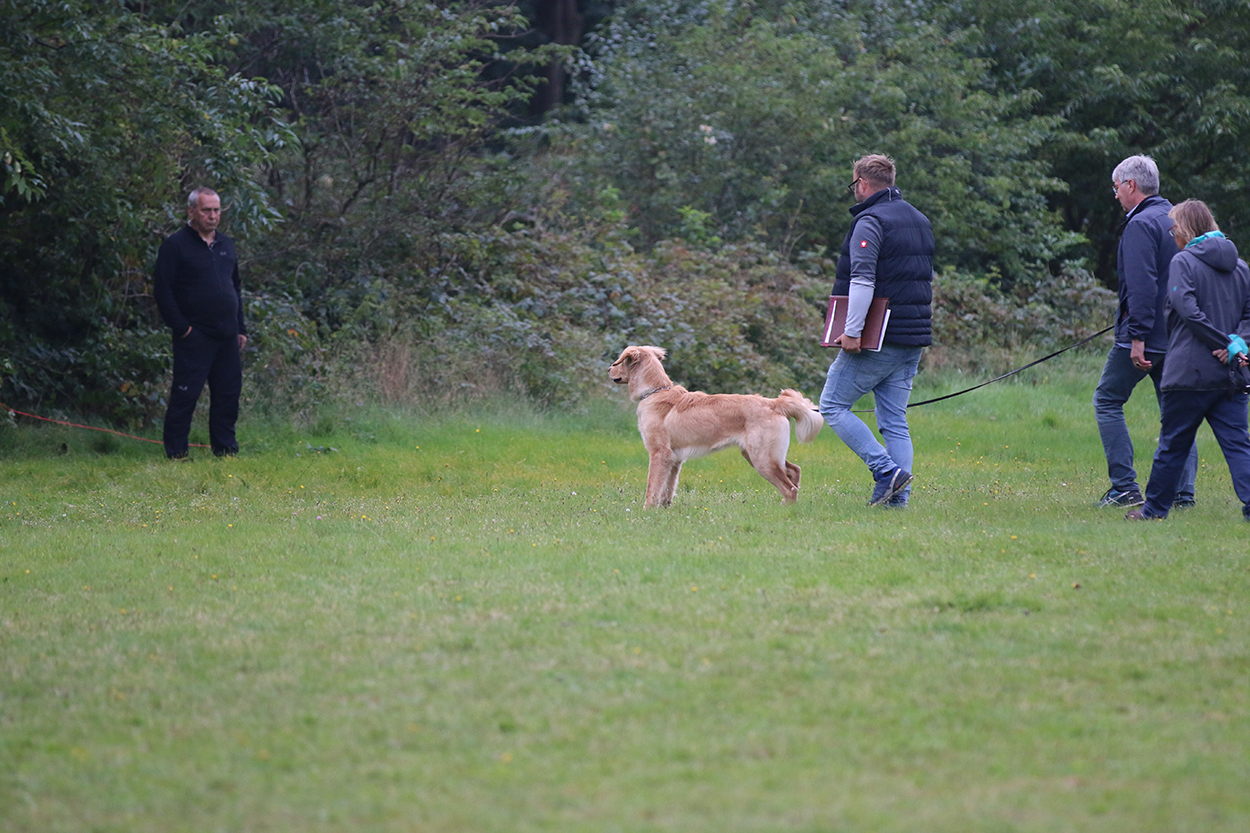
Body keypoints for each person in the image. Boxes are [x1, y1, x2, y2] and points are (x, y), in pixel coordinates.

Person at [819, 154, 934, 507]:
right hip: (913, 335)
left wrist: (852, 331)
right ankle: (897, 501)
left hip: (880, 337)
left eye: (853, 184)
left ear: (863, 183)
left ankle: (886, 472)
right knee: (894, 421)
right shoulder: (918, 219)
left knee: (832, 406)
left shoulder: (870, 221)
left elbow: (862, 279)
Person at [1127, 200, 1250, 521]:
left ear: (1186, 229)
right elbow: (1248, 316)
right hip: (1230, 375)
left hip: (1188, 373)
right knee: (1238, 445)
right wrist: (1236, 345)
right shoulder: (1241, 267)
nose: (1173, 235)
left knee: (1173, 445)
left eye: (1175, 229)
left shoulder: (1183, 261)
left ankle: (1153, 511)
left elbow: (1187, 309)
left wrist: (1226, 343)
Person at [1093, 154, 1199, 507]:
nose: (1115, 195)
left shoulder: (1140, 224)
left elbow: (1142, 285)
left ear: (1131, 185)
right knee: (1177, 412)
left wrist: (1136, 337)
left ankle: (1124, 487)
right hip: (1181, 335)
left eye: (1116, 187)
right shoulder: (1177, 219)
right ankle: (1182, 494)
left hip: (1146, 336)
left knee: (1108, 400)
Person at [152, 187, 247, 459]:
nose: (213, 216)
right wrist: (183, 329)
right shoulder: (175, 246)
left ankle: (225, 451)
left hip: (227, 336)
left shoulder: (226, 245)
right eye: (206, 210)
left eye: (217, 210)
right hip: (195, 335)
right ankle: (177, 453)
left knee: (228, 395)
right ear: (191, 211)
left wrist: (240, 328)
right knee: (185, 396)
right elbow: (163, 291)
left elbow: (235, 288)